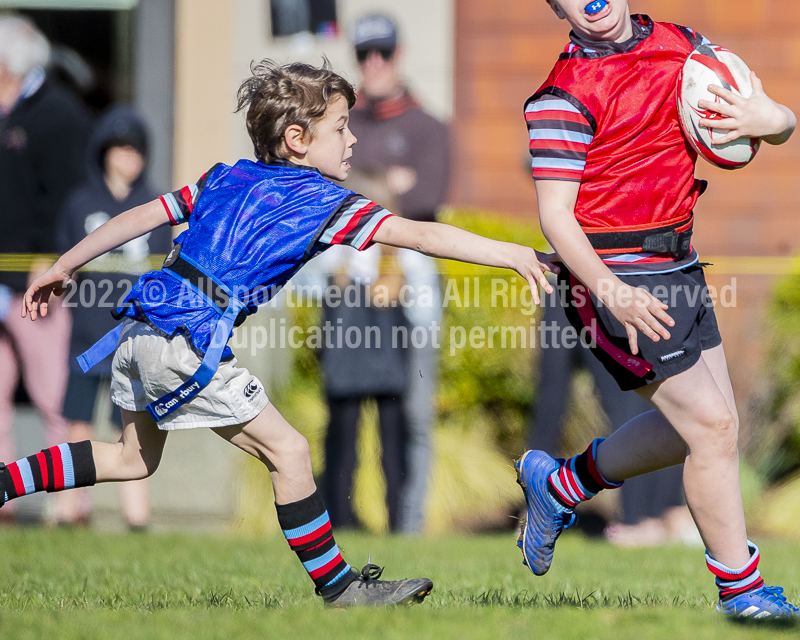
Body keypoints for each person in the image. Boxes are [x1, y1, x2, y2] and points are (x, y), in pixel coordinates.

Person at [10, 60, 557, 607]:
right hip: (186, 341)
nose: (352, 138)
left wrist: (66, 264)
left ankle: (7, 481)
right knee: (291, 452)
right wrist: (513, 254)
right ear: (297, 139)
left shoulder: (224, 176)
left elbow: (143, 215)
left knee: (133, 460)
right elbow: (417, 234)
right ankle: (342, 591)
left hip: (140, 327)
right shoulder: (323, 203)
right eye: (341, 127)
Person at [515, 0, 797, 620]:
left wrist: (770, 115)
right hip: (614, 276)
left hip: (682, 264)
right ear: (554, 7)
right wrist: (608, 290)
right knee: (713, 428)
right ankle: (743, 593)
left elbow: (773, 126)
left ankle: (561, 485)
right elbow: (556, 218)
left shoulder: (683, 45)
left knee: (700, 428)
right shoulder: (560, 97)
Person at [348, 13, 450, 534]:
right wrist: (391, 185)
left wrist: (370, 188)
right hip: (353, 281)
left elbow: (427, 196)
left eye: (382, 53)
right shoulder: (346, 124)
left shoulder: (427, 126)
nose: (373, 65)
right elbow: (331, 196)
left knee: (413, 412)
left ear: (398, 54)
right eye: (364, 55)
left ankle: (409, 523)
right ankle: (345, 517)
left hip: (414, 284)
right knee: (348, 408)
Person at [56, 105, 172, 529]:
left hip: (135, 335)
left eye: (135, 149)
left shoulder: (156, 207)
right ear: (103, 151)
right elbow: (61, 262)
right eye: (119, 148)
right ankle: (71, 509)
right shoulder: (79, 204)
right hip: (86, 333)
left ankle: (136, 516)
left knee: (134, 424)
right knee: (78, 420)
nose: (127, 157)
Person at [0, 14, 92, 523]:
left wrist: (56, 261)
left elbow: (72, 201)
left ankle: (71, 501)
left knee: (54, 397)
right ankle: (3, 500)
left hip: (35, 283)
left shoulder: (60, 117)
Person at [528, 283, 694, 546]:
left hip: (607, 294)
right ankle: (536, 509)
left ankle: (644, 517)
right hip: (572, 291)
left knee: (636, 407)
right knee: (550, 406)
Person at [317, 175, 410, 532]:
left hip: (386, 362)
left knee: (391, 449)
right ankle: (339, 520)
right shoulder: (336, 253)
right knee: (343, 448)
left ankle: (397, 523)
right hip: (347, 364)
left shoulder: (399, 256)